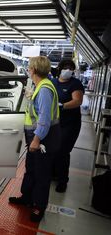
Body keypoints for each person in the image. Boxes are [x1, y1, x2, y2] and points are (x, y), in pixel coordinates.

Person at [9, 56, 61, 222]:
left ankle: (38, 206)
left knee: (42, 173)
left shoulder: (44, 89)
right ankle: (27, 198)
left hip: (43, 137)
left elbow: (44, 119)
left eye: (29, 67)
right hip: (37, 135)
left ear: (34, 70)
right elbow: (37, 112)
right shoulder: (41, 86)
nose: (28, 69)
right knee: (31, 168)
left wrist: (37, 139)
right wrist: (31, 97)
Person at [51, 59, 84, 193]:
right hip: (55, 122)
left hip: (70, 124)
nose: (68, 70)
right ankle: (53, 174)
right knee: (52, 149)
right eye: (66, 67)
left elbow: (77, 101)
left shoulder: (75, 83)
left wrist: (62, 106)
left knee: (63, 151)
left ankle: (62, 180)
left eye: (71, 68)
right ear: (59, 69)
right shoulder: (53, 82)